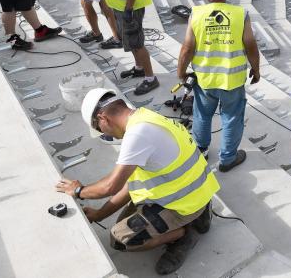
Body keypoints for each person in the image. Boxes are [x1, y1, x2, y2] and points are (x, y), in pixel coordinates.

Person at [56, 88, 220, 275]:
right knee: (124, 224)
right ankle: (199, 212)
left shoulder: (138, 135)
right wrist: (99, 215)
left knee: (121, 239)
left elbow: (111, 186)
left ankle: (184, 234)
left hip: (185, 202)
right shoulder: (145, 117)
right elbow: (128, 184)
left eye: (101, 130)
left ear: (103, 118)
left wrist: (78, 191)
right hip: (196, 189)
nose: (107, 135)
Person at [176, 0, 260, 172]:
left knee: (202, 115)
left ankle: (201, 150)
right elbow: (250, 45)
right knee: (232, 117)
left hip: (205, 80)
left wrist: (180, 72)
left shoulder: (196, 14)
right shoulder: (241, 14)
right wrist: (256, 69)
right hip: (232, 81)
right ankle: (228, 158)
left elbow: (187, 48)